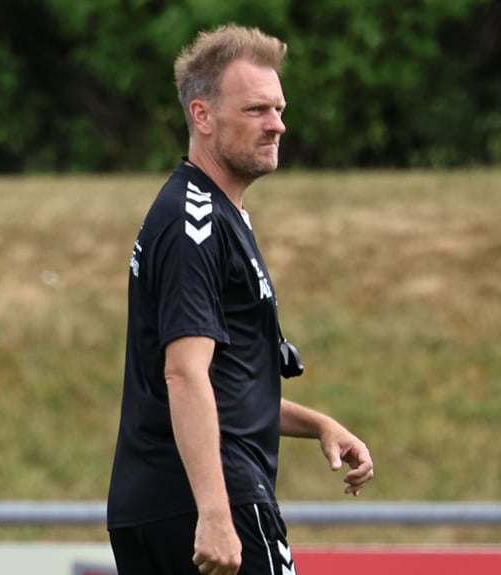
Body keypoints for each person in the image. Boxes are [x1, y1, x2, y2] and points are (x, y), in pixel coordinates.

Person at [106, 25, 374, 575]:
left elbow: (222, 388)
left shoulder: (212, 213)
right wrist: (214, 512)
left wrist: (317, 424)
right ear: (202, 116)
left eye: (279, 109)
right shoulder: (195, 221)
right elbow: (184, 373)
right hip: (209, 499)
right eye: (256, 110)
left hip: (159, 500)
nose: (277, 124)